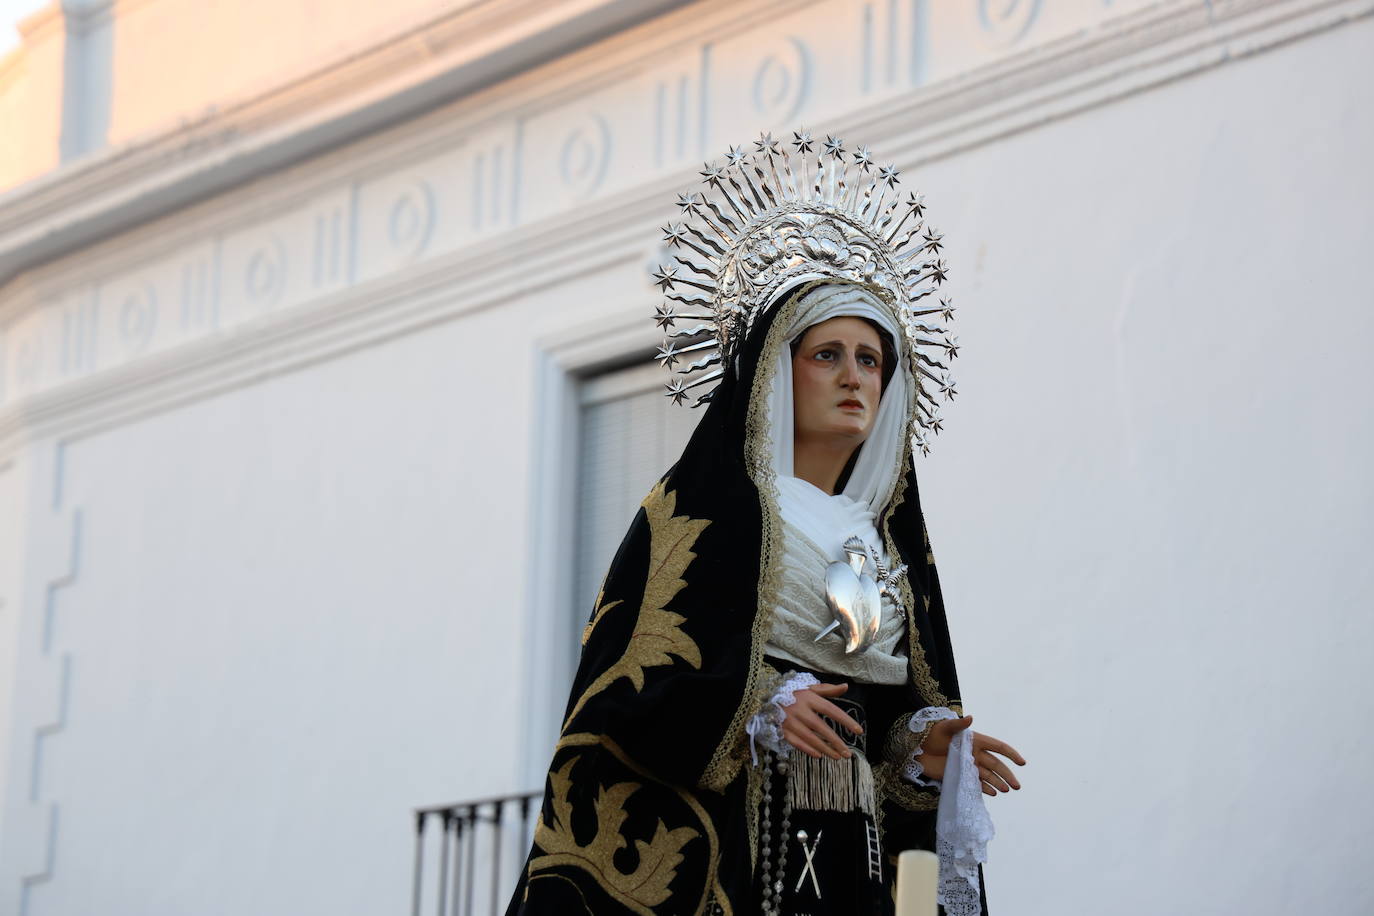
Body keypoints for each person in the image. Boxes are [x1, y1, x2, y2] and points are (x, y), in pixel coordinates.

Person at [506, 130, 1023, 916]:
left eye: (872, 359)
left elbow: (880, 715)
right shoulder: (701, 516)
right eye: (828, 355)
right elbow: (625, 688)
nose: (855, 377)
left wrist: (920, 750)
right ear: (778, 366)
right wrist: (759, 709)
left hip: (854, 854)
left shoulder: (884, 546)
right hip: (740, 851)